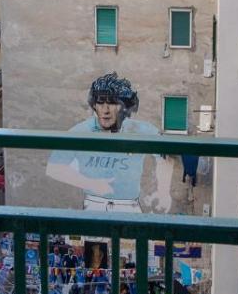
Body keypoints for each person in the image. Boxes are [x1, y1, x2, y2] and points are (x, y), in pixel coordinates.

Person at [45, 74, 174, 213]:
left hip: (129, 206)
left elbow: (166, 158)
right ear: (94, 105)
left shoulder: (140, 130)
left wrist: (163, 192)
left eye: (112, 103)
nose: (105, 110)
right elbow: (54, 167)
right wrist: (91, 183)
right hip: (94, 205)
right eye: (100, 103)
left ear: (124, 106)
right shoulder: (82, 131)